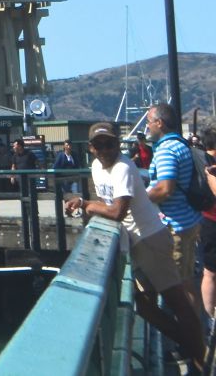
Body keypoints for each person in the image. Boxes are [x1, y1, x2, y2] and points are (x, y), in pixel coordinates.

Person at [66, 122, 206, 372]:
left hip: (150, 239)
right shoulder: (97, 167)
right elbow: (106, 203)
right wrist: (88, 204)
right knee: (139, 303)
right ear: (91, 148)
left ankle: (199, 359)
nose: (106, 149)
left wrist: (86, 204)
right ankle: (189, 345)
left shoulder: (123, 168)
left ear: (118, 145)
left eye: (110, 144)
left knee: (178, 304)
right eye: (100, 145)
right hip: (134, 243)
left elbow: (117, 212)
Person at [145, 102, 202, 292]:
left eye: (149, 122)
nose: (147, 127)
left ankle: (187, 322)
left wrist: (138, 201)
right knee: (186, 281)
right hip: (188, 220)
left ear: (159, 123)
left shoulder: (166, 150)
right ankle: (195, 321)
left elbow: (165, 189)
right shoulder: (181, 144)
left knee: (177, 287)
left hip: (175, 226)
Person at [199, 127, 216, 320]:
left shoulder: (200, 161)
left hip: (208, 221)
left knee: (210, 273)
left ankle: (210, 318)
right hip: (211, 221)